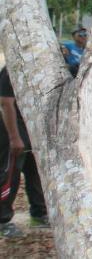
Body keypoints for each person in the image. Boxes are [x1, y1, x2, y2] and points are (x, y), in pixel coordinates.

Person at [0, 66, 47, 238]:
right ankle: (3, 220)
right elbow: (6, 103)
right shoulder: (11, 70)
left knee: (35, 171)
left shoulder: (39, 65)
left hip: (32, 126)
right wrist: (14, 137)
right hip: (12, 127)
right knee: (9, 174)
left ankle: (39, 213)